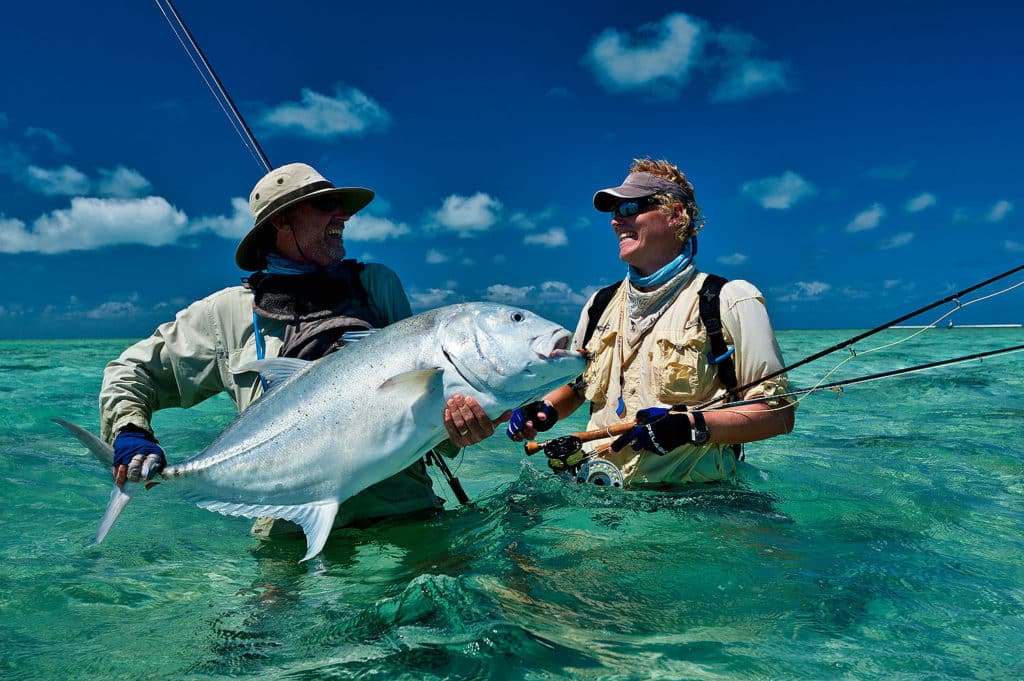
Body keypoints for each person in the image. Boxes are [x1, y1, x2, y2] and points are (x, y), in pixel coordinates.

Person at [100, 162, 499, 533]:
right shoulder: (227, 313)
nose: (342, 215)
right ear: (280, 220)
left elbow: (419, 407)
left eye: (342, 206)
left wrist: (459, 429)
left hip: (406, 512)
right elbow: (130, 372)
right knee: (264, 612)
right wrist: (130, 432)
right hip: (288, 529)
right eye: (327, 205)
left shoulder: (377, 285)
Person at [506, 158, 795, 484]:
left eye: (629, 208)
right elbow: (579, 386)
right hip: (594, 500)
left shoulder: (732, 300)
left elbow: (779, 415)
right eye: (614, 212)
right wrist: (545, 410)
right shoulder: (598, 304)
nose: (616, 221)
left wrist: (692, 428)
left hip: (691, 507)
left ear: (676, 214)